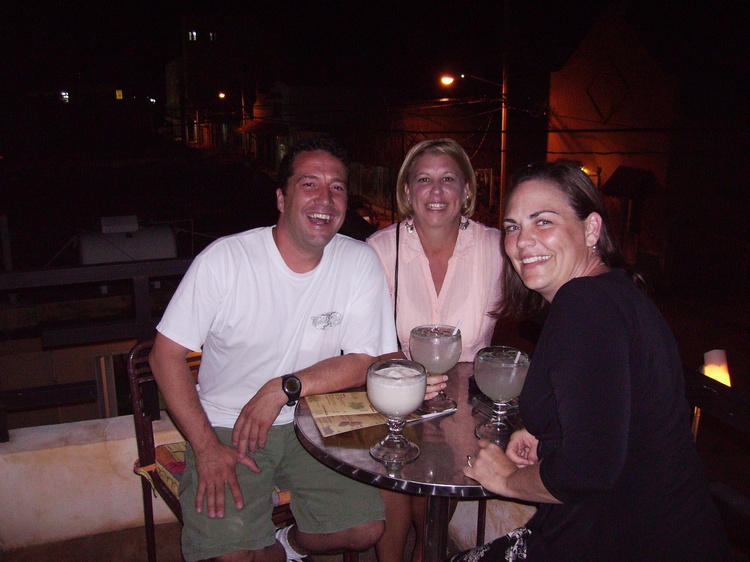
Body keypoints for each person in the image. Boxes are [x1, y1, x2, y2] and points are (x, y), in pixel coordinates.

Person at [451, 160, 730, 561]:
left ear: (592, 229)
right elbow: (618, 413)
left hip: (627, 540)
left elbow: (589, 469)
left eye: (542, 221)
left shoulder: (585, 305)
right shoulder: (609, 295)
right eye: (512, 227)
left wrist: (509, 480)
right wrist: (549, 436)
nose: (523, 242)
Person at [149, 136, 398, 561]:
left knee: (364, 529)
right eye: (309, 184)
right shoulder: (226, 259)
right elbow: (165, 356)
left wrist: (285, 387)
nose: (326, 198)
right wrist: (207, 448)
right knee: (232, 555)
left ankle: (289, 545)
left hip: (313, 417)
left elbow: (366, 359)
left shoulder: (358, 261)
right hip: (228, 424)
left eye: (337, 187)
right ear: (281, 198)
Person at [366, 138, 503, 562]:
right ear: (407, 191)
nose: (437, 191)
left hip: (466, 401)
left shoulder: (497, 249)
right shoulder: (379, 250)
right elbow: (365, 340)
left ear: (466, 189)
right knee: (393, 482)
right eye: (424, 179)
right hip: (396, 391)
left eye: (448, 179)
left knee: (433, 500)